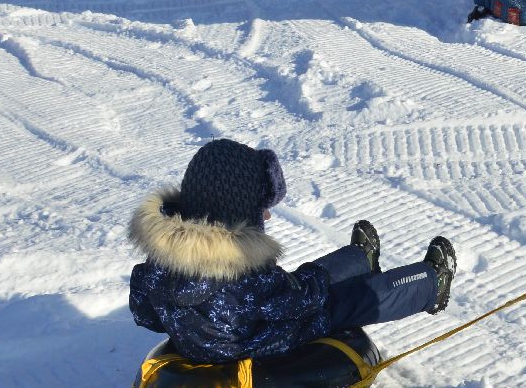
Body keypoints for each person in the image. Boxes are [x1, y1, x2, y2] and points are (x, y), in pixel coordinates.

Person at [129, 138, 459, 363]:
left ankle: (360, 258)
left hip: (201, 348)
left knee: (298, 283)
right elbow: (300, 299)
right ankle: (431, 284)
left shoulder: (156, 265)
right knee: (335, 298)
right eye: (261, 209)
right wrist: (316, 285)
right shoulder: (247, 277)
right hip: (259, 347)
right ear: (239, 213)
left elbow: (145, 314)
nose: (268, 215)